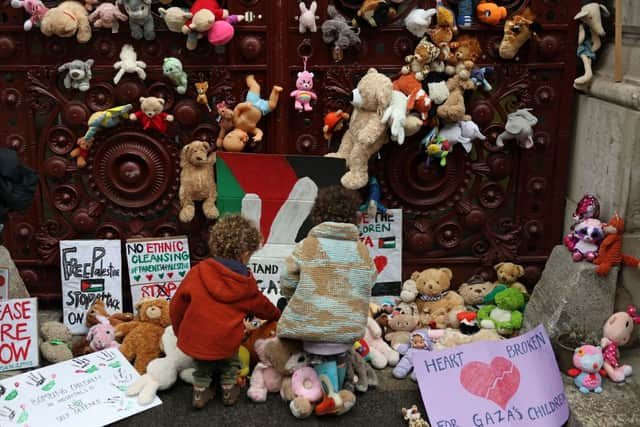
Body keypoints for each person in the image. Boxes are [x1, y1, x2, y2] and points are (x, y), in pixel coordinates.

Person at [276, 186, 377, 416]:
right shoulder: (361, 250)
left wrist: (298, 298)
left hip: (314, 325)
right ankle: (339, 392)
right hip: (347, 327)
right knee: (339, 355)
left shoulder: (307, 246)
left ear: (318, 215)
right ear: (352, 216)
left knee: (321, 356)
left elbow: (287, 281)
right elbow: (370, 279)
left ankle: (328, 399)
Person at [170, 214, 281, 409]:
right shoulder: (245, 282)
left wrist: (181, 331)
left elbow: (177, 304)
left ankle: (200, 393)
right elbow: (261, 305)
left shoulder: (198, 271)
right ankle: (229, 390)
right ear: (246, 253)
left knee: (202, 368)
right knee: (231, 362)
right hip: (227, 340)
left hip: (197, 338)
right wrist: (275, 315)